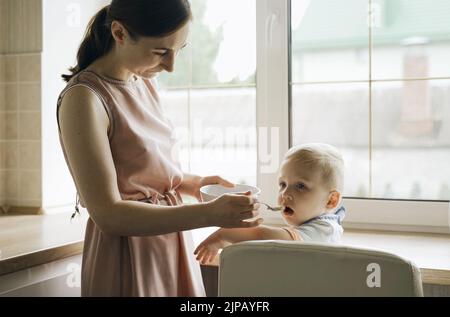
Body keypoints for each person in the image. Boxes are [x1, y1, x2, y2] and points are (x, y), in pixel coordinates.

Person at [56, 0, 260, 297]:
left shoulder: (142, 82)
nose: (171, 65)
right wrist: (208, 214)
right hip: (126, 254)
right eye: (160, 51)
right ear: (119, 33)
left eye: (179, 50)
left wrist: (196, 184)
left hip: (170, 246)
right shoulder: (84, 99)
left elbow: (144, 170)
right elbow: (108, 214)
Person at [194, 143, 346, 264]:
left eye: (300, 186)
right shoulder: (320, 227)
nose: (285, 194)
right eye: (283, 184)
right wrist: (229, 242)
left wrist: (224, 234)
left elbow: (264, 235)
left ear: (331, 200)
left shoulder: (324, 230)